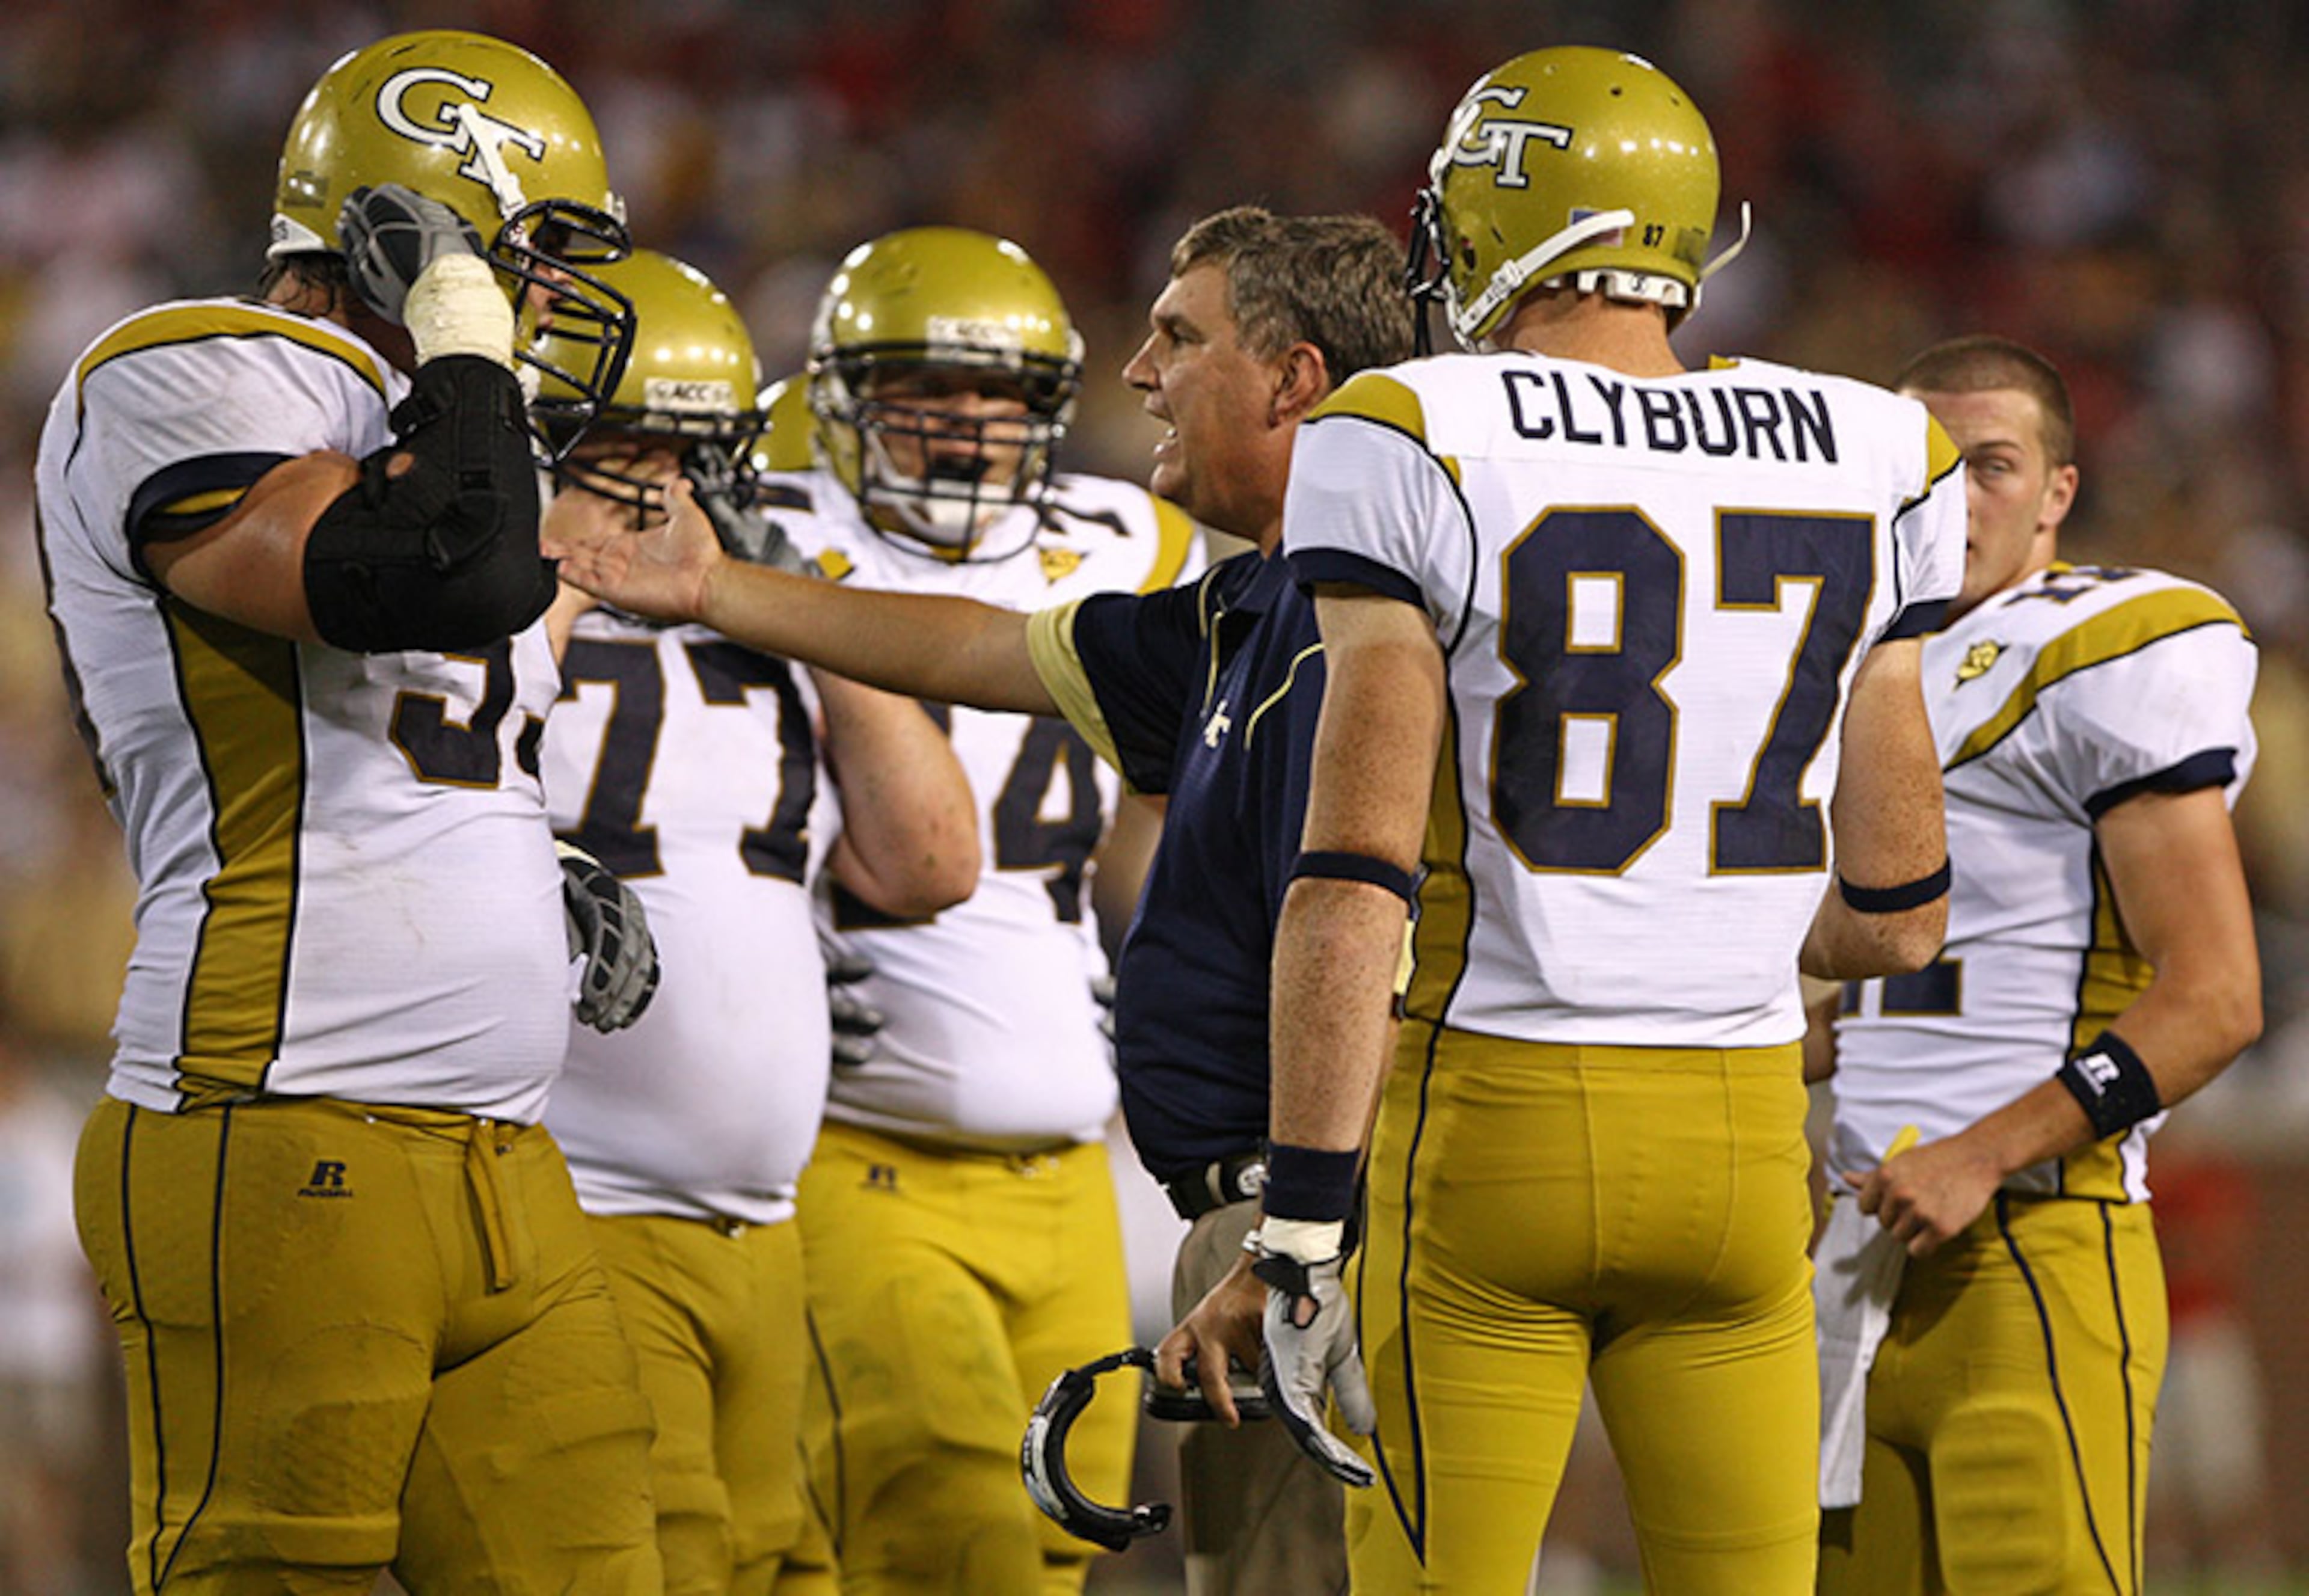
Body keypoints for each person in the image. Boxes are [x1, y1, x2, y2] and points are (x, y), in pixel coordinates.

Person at [545, 206, 1417, 1596]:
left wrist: (1303, 1217)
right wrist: (727, 583)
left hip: (1332, 1190)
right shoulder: (1231, 602)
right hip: (971, 1146)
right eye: (920, 391)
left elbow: (1353, 902)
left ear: (1296, 379)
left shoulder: (1358, 607)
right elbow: (995, 653)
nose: (1140, 373)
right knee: (986, 1544)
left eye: (1178, 338)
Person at [1254, 46, 1966, 1594]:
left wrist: (1304, 1213)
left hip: (1496, 1109)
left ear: (1507, 216)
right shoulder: (1880, 448)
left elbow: (1355, 864)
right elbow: (1907, 902)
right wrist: (1735, 929)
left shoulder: (1412, 423)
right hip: (1738, 1139)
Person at [36, 30, 669, 1594]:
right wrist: (458, 341)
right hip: (279, 1112)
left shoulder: (440, 444)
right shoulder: (194, 365)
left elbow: (411, 724)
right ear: (411, 231)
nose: (548, 303)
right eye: (527, 257)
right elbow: (431, 578)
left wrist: (531, 872)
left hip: (506, 1157)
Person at [532, 250, 982, 1595]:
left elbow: (932, 859)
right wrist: (553, 560)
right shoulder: (485, 619)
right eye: (617, 448)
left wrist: (786, 605)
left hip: (767, 1224)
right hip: (582, 1205)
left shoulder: (764, 618)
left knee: (784, 1566)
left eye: (685, 448)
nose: (655, 485)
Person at [773, 225, 1203, 1595]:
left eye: (1000, 397)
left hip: (1074, 1155)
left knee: (1054, 1546)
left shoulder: (1132, 536)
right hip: (864, 1143)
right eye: (927, 392)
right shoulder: (779, 532)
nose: (967, 429)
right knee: (945, 1541)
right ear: (845, 398)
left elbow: (1164, 809)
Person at [1814, 335, 2261, 1596]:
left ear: (2059, 491)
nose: (1955, 501)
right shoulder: (1857, 659)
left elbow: (2219, 998)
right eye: (1928, 469)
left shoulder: (2111, 641)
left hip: (2027, 1243)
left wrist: (1983, 1150)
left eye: (1994, 467)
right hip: (1845, 1261)